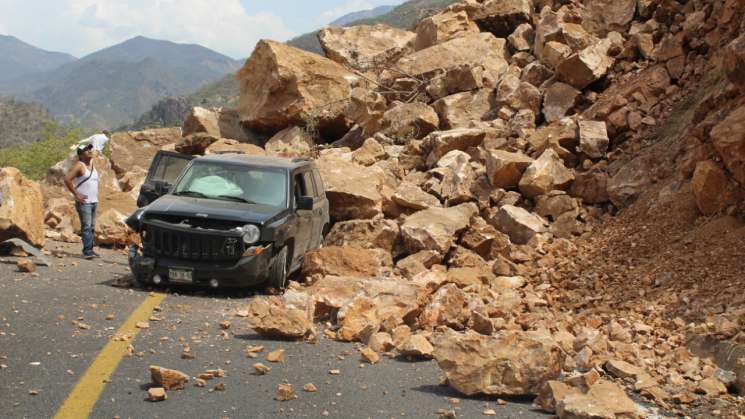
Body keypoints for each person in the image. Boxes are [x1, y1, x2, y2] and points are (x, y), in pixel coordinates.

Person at [64, 143, 100, 259]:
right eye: (86, 150)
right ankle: (87, 251)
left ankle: (90, 249)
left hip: (94, 201)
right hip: (84, 202)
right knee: (87, 226)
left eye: (90, 148)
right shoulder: (79, 165)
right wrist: (76, 194)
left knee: (92, 226)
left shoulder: (93, 165)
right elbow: (67, 179)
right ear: (80, 155)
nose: (89, 150)